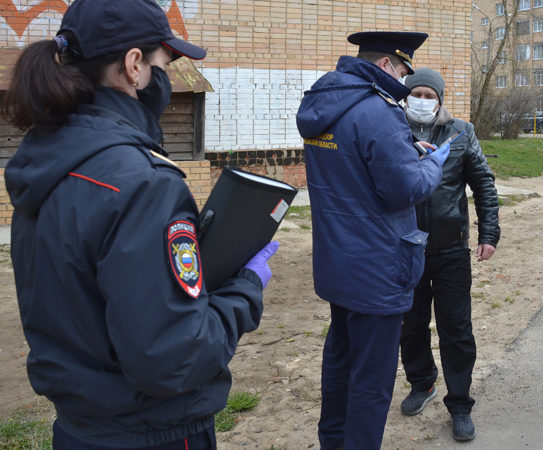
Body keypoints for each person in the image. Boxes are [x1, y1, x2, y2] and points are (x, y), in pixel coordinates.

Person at [1, 0, 280, 447]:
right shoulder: (145, 183)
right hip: (152, 431)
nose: (165, 79)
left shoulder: (46, 159)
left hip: (79, 427)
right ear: (133, 65)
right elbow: (174, 360)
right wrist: (246, 287)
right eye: (163, 63)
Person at [295, 32, 450, 449]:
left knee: (340, 365)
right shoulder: (378, 111)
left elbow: (353, 171)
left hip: (338, 263)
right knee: (372, 381)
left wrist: (403, 150)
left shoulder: (322, 103)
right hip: (378, 267)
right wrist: (432, 164)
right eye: (402, 71)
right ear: (386, 66)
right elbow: (404, 189)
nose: (403, 82)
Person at [397, 68, 500, 441]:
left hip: (451, 247)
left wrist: (489, 232)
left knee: (456, 329)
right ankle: (422, 382)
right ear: (406, 96)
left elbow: (483, 183)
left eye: (429, 94)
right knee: (410, 324)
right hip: (405, 247)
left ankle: (459, 402)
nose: (422, 100)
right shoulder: (391, 129)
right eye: (416, 93)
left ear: (440, 98)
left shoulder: (461, 131)